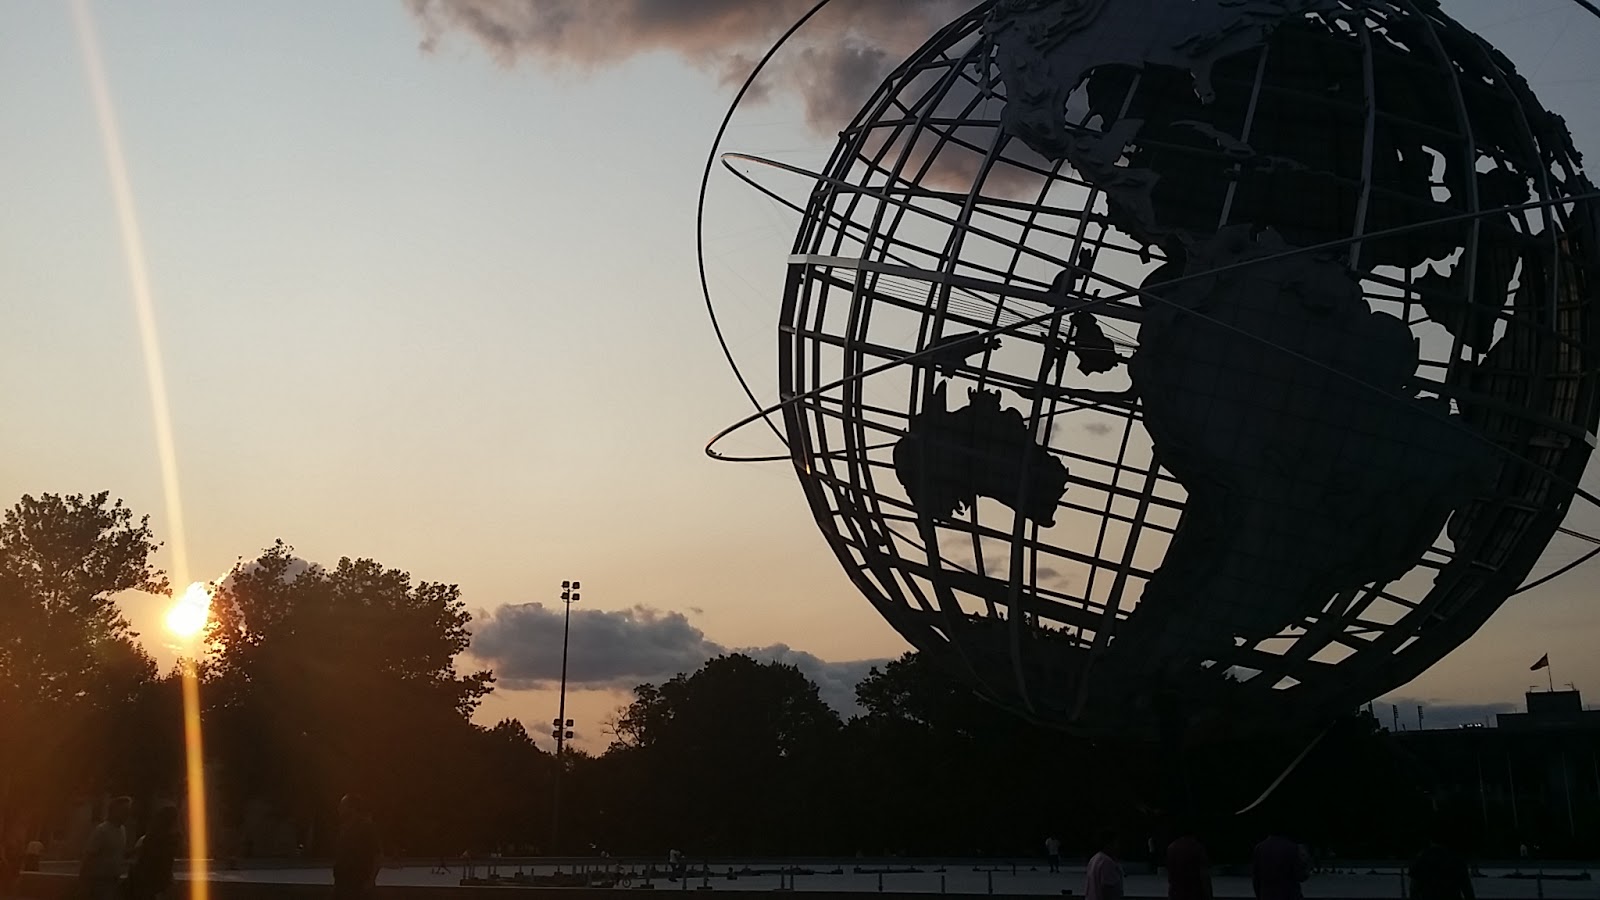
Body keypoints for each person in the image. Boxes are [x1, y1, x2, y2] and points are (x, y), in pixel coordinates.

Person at [79, 797, 132, 900]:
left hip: (113, 880)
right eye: (124, 810)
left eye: (128, 811)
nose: (127, 814)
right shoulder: (102, 830)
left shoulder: (122, 830)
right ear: (114, 811)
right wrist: (83, 882)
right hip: (99, 881)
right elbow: (89, 855)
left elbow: (116, 853)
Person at [126, 806, 181, 900]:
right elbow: (160, 864)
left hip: (145, 881)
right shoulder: (165, 841)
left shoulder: (150, 838)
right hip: (152, 882)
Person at [333, 794, 380, 900]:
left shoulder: (366, 827)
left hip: (358, 883)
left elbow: (377, 855)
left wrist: (371, 880)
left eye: (342, 806)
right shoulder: (343, 828)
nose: (339, 809)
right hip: (342, 884)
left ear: (352, 808)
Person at [1410, 831, 1475, 900]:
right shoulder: (1456, 859)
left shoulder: (1422, 858)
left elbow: (1414, 889)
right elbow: (1467, 890)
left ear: (1431, 840)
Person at [1252, 831, 1310, 900]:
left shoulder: (1259, 848)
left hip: (1267, 895)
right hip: (1289, 895)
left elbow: (1256, 878)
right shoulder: (1292, 848)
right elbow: (1301, 876)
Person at [1166, 828, 1212, 900]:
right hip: (1194, 892)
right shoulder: (1197, 847)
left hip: (1177, 892)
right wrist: (1209, 894)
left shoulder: (1172, 847)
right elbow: (1204, 875)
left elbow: (1170, 875)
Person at [1086, 829, 1125, 900]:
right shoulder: (1107, 862)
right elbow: (1109, 888)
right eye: (1116, 843)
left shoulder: (1094, 859)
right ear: (1109, 844)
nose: (1118, 846)